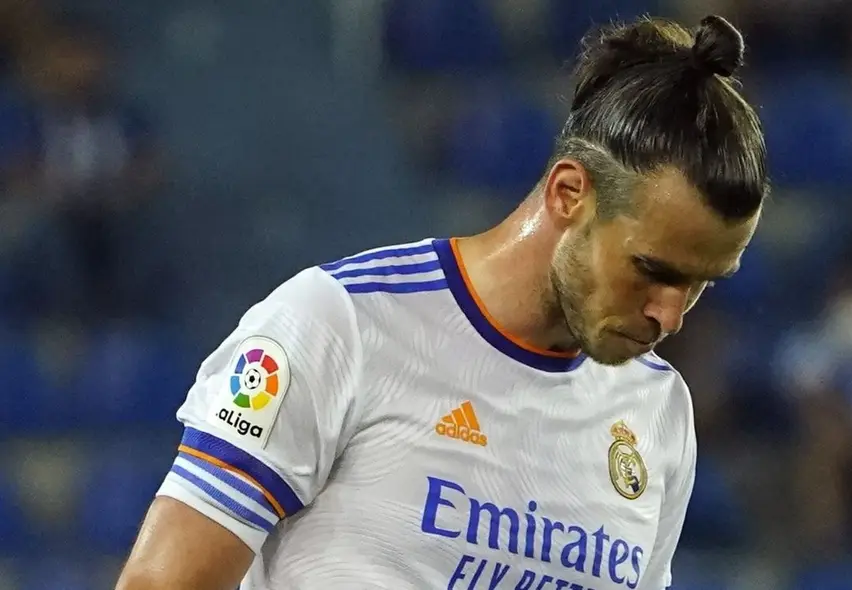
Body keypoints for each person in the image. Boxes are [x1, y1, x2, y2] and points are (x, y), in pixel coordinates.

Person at [115, 13, 767, 590]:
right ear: (570, 193)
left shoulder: (657, 413)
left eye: (701, 281)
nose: (670, 314)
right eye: (652, 270)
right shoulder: (342, 325)